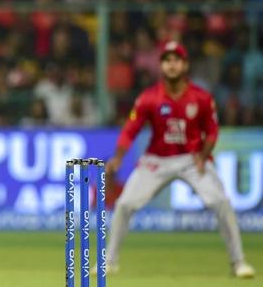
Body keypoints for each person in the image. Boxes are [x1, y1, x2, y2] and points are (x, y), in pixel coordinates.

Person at [94, 41, 255, 278]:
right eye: (167, 60)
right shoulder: (149, 98)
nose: (172, 65)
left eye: (176, 60)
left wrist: (202, 156)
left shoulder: (201, 98)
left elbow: (212, 131)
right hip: (156, 161)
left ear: (185, 65)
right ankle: (109, 262)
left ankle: (238, 262)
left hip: (192, 160)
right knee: (125, 204)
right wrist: (118, 157)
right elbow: (130, 129)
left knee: (221, 202)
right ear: (161, 66)